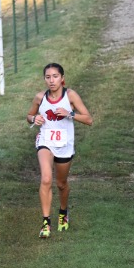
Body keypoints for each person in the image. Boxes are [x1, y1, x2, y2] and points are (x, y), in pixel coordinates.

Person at [26, 63, 93, 238]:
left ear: (62, 78)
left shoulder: (70, 96)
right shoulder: (40, 97)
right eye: (48, 77)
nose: (51, 80)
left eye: (55, 76)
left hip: (64, 145)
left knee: (61, 184)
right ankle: (46, 223)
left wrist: (70, 114)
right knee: (46, 178)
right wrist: (34, 118)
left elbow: (89, 119)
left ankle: (63, 212)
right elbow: (29, 116)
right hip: (45, 141)